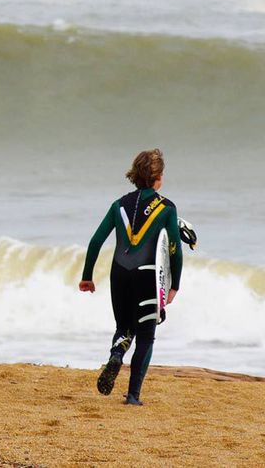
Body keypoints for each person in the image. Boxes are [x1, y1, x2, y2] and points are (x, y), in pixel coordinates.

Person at [79, 149, 182, 405]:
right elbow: (174, 250)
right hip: (147, 276)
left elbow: (95, 242)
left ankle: (116, 353)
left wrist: (87, 276)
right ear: (157, 176)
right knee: (146, 335)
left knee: (123, 327)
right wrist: (174, 285)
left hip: (119, 274)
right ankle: (133, 395)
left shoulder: (118, 205)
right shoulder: (167, 208)